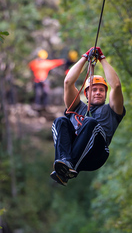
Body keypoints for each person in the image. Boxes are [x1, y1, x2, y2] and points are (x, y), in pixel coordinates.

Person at [50, 47, 126, 186]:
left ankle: (70, 168)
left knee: (90, 123)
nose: (98, 93)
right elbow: (68, 82)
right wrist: (85, 57)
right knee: (60, 121)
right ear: (86, 94)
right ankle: (64, 162)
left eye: (101, 90)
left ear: (105, 93)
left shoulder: (112, 110)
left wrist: (102, 59)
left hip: (96, 154)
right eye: (94, 90)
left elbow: (116, 85)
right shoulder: (78, 107)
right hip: (75, 149)